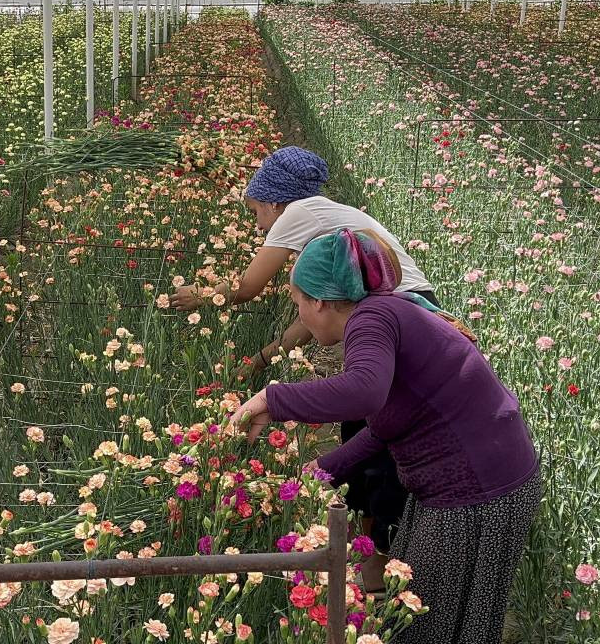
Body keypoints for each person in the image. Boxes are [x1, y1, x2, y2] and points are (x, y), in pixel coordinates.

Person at [229, 229, 540, 644]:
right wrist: (324, 468)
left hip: (477, 490)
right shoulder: (389, 312)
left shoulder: (372, 319)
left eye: (298, 303)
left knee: (426, 621)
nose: (300, 316)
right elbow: (388, 422)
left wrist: (273, 397)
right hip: (483, 479)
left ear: (320, 301)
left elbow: (364, 390)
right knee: (421, 609)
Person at [169, 145, 435, 588]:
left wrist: (200, 295)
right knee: (369, 426)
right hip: (413, 308)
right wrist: (263, 357)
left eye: (256, 211)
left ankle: (380, 560)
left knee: (380, 429)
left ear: (275, 201)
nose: (258, 224)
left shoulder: (298, 212)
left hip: (402, 311)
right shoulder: (330, 217)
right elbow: (313, 316)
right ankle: (369, 545)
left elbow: (248, 287)